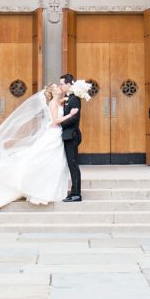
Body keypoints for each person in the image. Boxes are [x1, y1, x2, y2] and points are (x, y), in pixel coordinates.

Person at [0, 83, 77, 213]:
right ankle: (36, 187)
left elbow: (59, 106)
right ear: (53, 92)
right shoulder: (52, 103)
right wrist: (70, 115)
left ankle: (49, 190)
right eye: (56, 87)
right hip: (53, 134)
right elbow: (55, 121)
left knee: (55, 163)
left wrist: (65, 100)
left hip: (56, 134)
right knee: (47, 161)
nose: (59, 88)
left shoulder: (58, 102)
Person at [59, 72, 83, 202]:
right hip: (67, 136)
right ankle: (73, 191)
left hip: (71, 136)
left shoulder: (74, 99)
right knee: (71, 164)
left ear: (69, 84)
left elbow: (75, 118)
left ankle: (76, 194)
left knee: (73, 165)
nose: (60, 86)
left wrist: (60, 124)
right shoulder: (68, 98)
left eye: (62, 84)